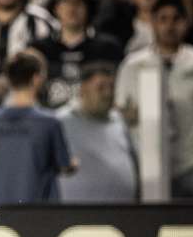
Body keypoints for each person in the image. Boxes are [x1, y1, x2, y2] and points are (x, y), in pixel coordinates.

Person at [115, 0, 193, 198]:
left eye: (176, 19)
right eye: (163, 19)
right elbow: (119, 112)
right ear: (152, 23)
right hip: (147, 165)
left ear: (186, 23)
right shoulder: (132, 64)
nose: (169, 26)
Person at [0, 51, 77, 205]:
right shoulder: (49, 122)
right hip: (40, 212)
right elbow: (65, 165)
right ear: (36, 79)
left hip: (2, 209)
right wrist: (74, 163)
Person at [30, 0, 123, 109]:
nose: (72, 8)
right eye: (66, 2)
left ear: (88, 8)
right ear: (56, 8)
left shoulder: (108, 48)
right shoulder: (38, 50)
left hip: (94, 122)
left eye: (78, 2)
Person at [58, 63, 138, 202]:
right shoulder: (61, 121)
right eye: (100, 88)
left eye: (111, 88)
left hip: (122, 213)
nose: (108, 94)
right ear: (83, 90)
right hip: (77, 215)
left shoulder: (119, 121)